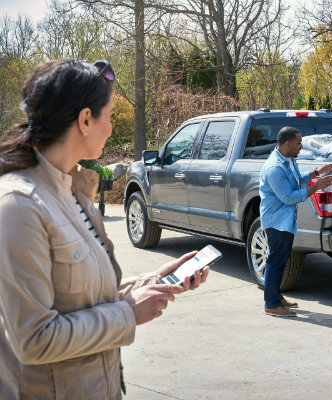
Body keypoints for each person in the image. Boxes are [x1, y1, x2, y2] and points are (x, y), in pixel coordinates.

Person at [0, 59, 209, 400]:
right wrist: (128, 314)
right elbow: (34, 339)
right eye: (109, 116)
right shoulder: (20, 206)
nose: (112, 127)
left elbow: (82, 298)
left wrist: (152, 282)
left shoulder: (73, 189)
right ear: (85, 120)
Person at [259, 126, 332, 317]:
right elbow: (288, 197)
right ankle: (271, 304)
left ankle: (276, 297)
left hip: (284, 220)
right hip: (276, 221)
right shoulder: (274, 168)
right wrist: (317, 187)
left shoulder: (289, 160)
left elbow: (296, 181)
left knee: (281, 260)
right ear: (287, 143)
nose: (301, 146)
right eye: (298, 142)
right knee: (275, 262)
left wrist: (316, 173)